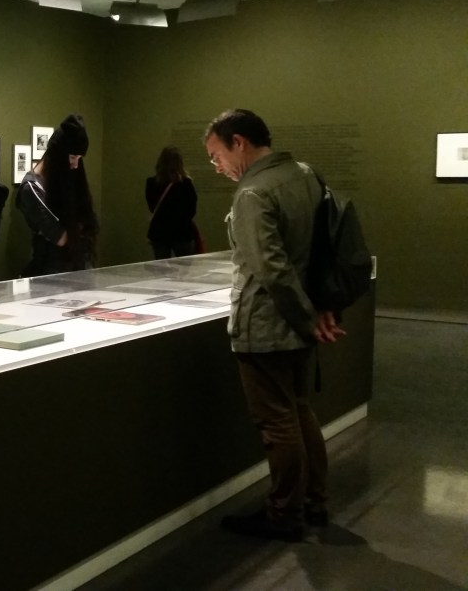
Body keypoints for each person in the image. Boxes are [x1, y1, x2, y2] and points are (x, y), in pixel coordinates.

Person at [203, 109, 345, 541]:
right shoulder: (305, 175)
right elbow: (323, 250)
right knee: (299, 411)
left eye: (216, 155)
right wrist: (317, 311)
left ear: (239, 143)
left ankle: (284, 515)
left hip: (265, 325)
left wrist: (306, 318)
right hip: (299, 320)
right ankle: (314, 501)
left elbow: (271, 269)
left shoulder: (252, 192)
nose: (216, 166)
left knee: (278, 423)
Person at [15, 114, 99, 275]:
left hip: (77, 265)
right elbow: (60, 237)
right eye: (73, 157)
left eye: (79, 159)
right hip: (52, 270)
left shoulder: (64, 178)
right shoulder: (31, 188)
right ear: (59, 154)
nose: (75, 165)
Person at [145, 146, 199, 259]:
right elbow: (191, 210)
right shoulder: (186, 184)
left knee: (161, 267)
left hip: (159, 231)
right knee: (185, 267)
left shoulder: (151, 183)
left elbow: (152, 207)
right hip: (182, 231)